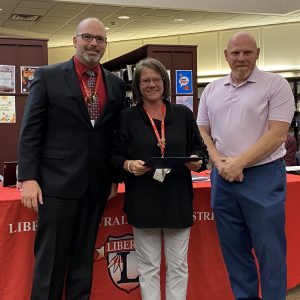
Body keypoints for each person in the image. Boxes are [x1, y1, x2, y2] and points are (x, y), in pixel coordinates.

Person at [17, 18, 127, 300]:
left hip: (95, 187)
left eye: (100, 39)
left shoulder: (114, 84)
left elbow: (114, 136)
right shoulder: (48, 76)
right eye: (88, 37)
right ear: (74, 40)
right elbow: (31, 130)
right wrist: (27, 178)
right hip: (54, 186)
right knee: (50, 262)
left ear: (105, 45)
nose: (94, 43)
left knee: (82, 262)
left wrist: (114, 177)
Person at [197, 32, 294, 300]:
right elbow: (202, 131)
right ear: (226, 55)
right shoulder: (212, 90)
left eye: (247, 52)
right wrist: (218, 163)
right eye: (236, 53)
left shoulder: (276, 85)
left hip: (262, 176)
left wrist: (239, 162)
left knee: (270, 251)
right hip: (223, 179)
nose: (241, 58)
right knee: (234, 251)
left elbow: (277, 134)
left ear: (258, 53)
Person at [111, 57, 208, 300]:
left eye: (156, 79)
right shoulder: (127, 117)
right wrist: (129, 164)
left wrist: (197, 160)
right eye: (145, 80)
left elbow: (201, 149)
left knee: (178, 267)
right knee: (148, 268)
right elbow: (113, 155)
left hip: (177, 200)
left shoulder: (183, 114)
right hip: (143, 201)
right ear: (137, 85)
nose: (151, 84)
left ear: (164, 83)